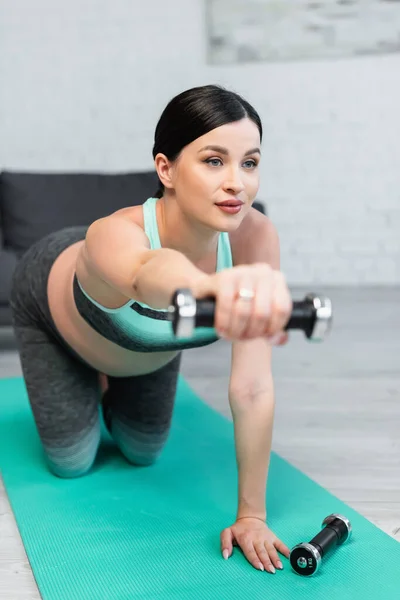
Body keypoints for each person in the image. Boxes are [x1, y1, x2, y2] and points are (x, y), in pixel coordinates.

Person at [10, 84, 293, 575]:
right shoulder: (114, 235)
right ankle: (88, 372)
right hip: (56, 305)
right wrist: (213, 292)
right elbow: (149, 273)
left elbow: (251, 386)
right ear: (166, 169)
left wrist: (252, 514)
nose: (237, 183)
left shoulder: (256, 237)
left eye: (249, 162)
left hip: (143, 343)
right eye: (213, 161)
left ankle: (119, 371)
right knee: (71, 462)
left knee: (143, 453)